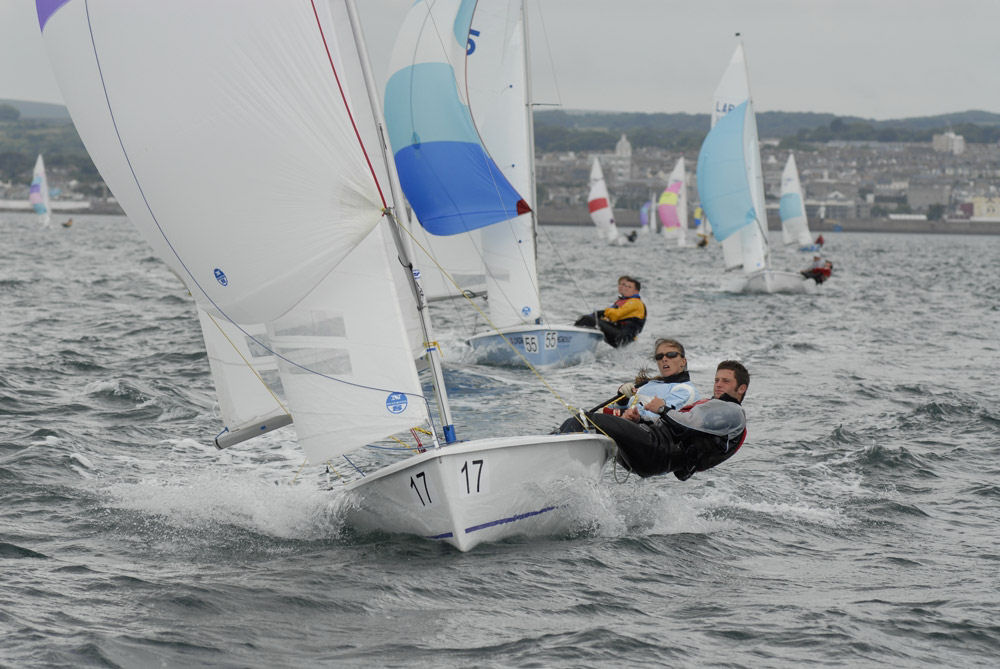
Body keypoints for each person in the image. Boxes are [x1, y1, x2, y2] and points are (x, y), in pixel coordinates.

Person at [558, 360, 749, 481]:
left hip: (655, 449)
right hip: (653, 456)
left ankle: (548, 450)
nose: (718, 384)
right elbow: (684, 432)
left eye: (725, 381)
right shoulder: (717, 408)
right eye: (717, 380)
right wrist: (640, 419)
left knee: (585, 418)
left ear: (741, 388)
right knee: (600, 434)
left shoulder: (732, 411)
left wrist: (662, 408)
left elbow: (688, 421)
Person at [606, 338, 699, 422]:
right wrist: (622, 401)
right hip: (623, 426)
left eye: (671, 355)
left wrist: (636, 416)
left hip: (649, 434)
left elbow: (661, 417)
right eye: (659, 357)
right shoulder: (647, 384)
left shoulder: (685, 390)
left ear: (683, 362)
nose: (664, 359)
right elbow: (610, 409)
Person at [574, 275, 646, 347]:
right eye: (625, 286)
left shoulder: (635, 302)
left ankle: (572, 340)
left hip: (622, 338)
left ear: (636, 291)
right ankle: (583, 344)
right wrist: (599, 316)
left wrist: (603, 312)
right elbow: (612, 316)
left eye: (629, 287)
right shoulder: (626, 301)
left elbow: (615, 315)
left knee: (587, 319)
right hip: (620, 335)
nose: (625, 288)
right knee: (591, 320)